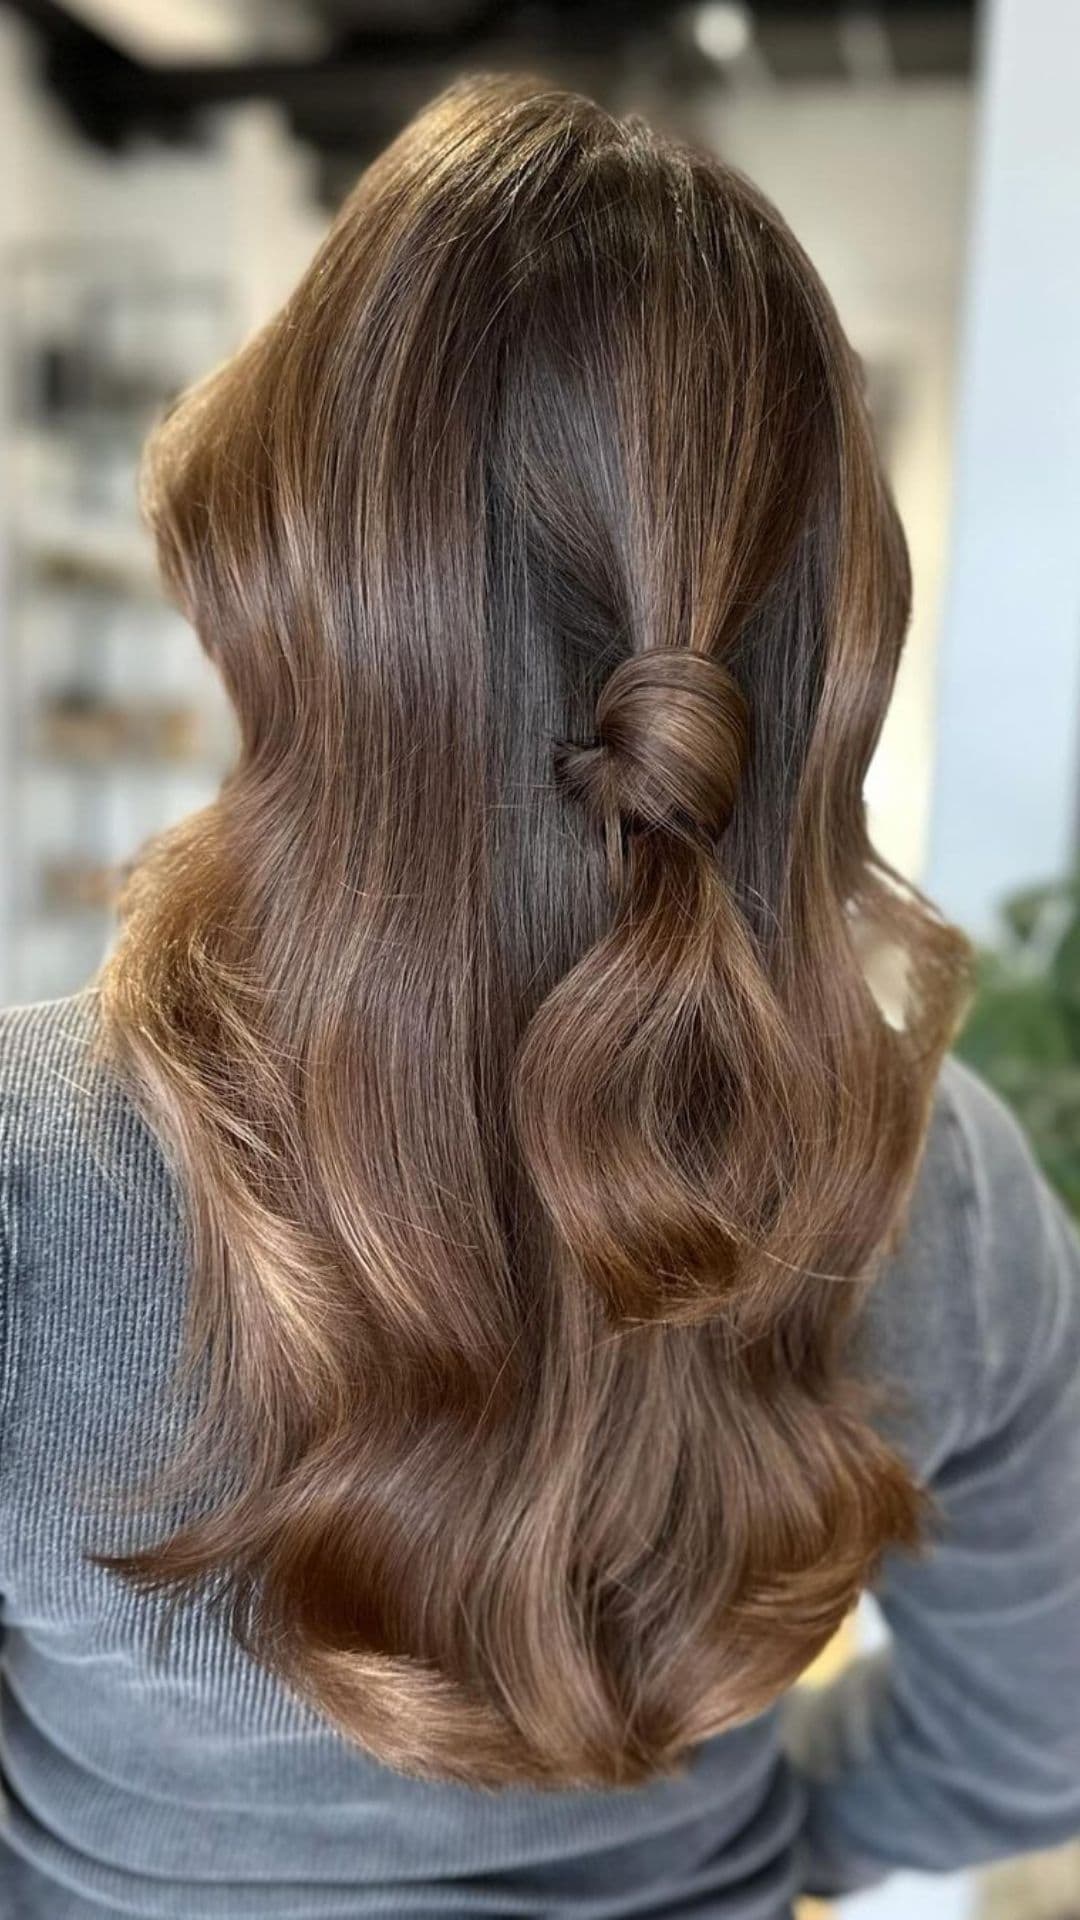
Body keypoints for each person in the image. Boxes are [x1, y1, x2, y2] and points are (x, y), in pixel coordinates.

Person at [0, 73, 1077, 1920]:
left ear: (289, 575)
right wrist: (765, 1849)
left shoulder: (28, 1190)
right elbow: (1033, 1730)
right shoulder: (926, 1185)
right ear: (823, 642)